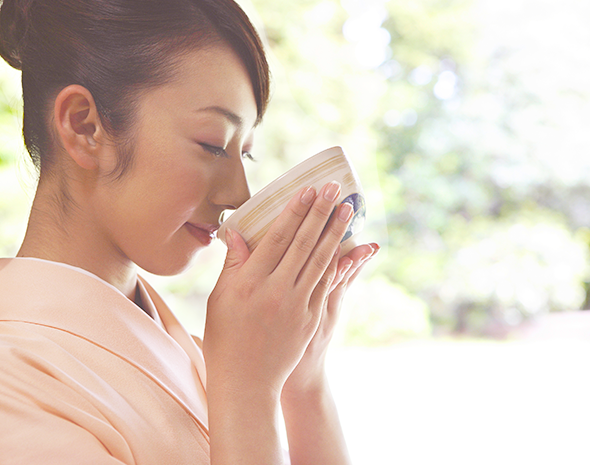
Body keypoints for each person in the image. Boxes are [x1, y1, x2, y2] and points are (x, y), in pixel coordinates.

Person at [0, 0, 378, 463]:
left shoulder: (191, 354)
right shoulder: (14, 380)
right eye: (212, 145)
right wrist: (246, 391)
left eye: (246, 154)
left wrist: (304, 383)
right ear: (85, 126)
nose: (239, 195)